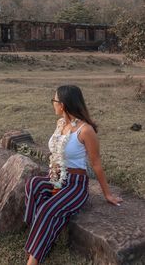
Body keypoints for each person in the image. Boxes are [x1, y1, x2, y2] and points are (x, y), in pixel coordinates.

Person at [24, 85, 123, 265]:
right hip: (55, 177)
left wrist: (107, 194)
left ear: (62, 104)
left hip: (75, 185)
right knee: (33, 184)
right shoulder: (60, 123)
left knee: (48, 209)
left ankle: (33, 259)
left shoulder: (85, 131)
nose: (52, 104)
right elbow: (56, 153)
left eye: (54, 101)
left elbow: (96, 164)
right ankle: (35, 231)